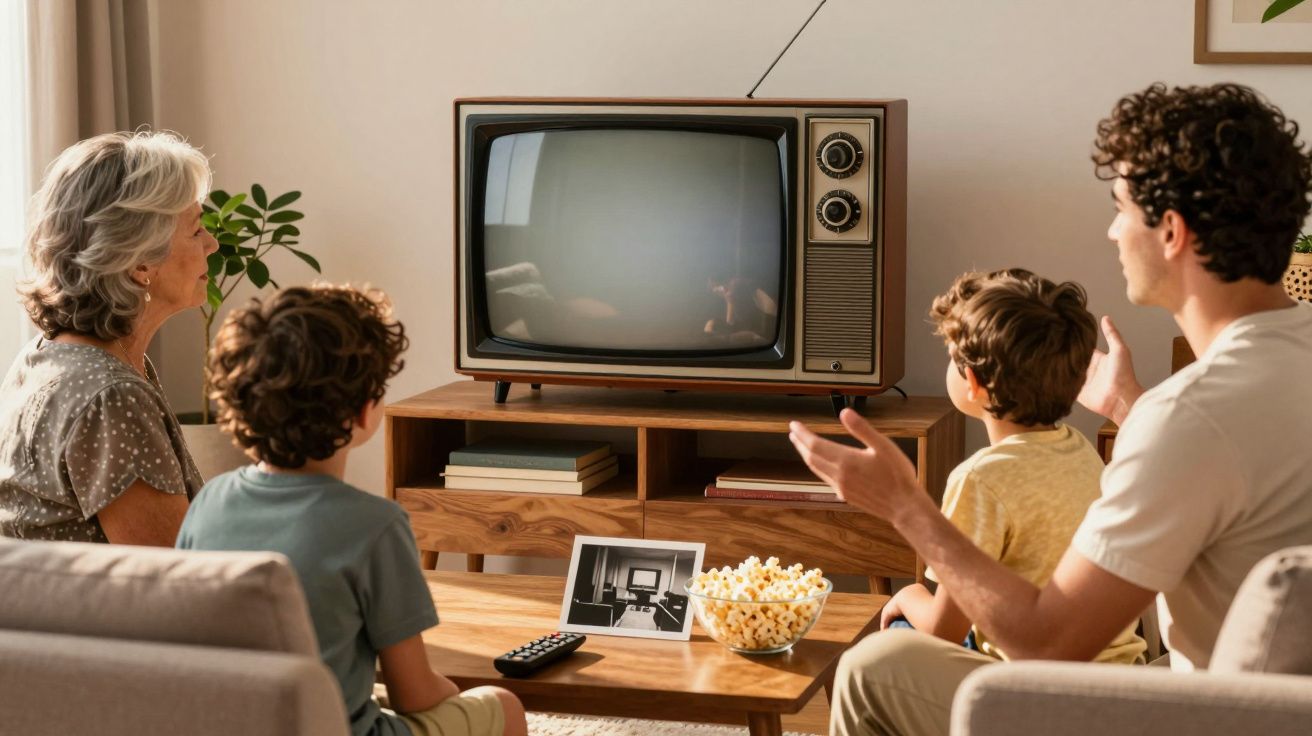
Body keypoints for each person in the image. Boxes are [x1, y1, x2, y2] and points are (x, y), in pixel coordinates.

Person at [788, 82, 1312, 736]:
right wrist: (1131, 405)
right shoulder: (1270, 372)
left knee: (878, 665)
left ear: (1172, 231)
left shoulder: (1191, 418)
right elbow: (1240, 464)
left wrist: (906, 508)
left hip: (1209, 719)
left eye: (1121, 208)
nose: (1113, 230)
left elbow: (1047, 643)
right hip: (1278, 709)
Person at [176, 285, 527, 736]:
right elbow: (413, 694)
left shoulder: (208, 502)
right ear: (364, 411)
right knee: (502, 704)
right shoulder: (375, 526)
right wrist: (459, 694)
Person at [880, 268, 1144, 666]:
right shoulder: (1079, 448)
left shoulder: (979, 479)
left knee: (893, 637)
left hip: (1031, 681)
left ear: (973, 381)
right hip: (1115, 668)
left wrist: (905, 596)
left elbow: (943, 632)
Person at [0, 131, 212, 545]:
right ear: (139, 265)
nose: (213, 243)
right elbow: (174, 586)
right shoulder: (109, 397)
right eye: (196, 230)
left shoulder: (47, 355)